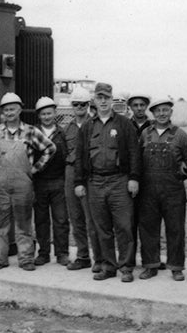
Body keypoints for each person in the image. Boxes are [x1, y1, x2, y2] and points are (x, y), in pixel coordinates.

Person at [74, 82, 141, 283]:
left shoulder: (123, 124)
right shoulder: (87, 126)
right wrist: (79, 182)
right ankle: (108, 266)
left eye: (106, 98)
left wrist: (134, 178)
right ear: (94, 100)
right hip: (95, 182)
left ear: (112, 100)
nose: (103, 101)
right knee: (101, 228)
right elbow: (80, 156)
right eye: (99, 98)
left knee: (124, 226)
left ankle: (126, 267)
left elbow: (134, 152)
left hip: (118, 181)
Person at [0, 92, 56, 271]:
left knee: (24, 222)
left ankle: (26, 259)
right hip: (0, 185)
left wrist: (35, 168)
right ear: (3, 112)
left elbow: (50, 148)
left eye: (12, 109)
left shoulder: (31, 131)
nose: (9, 112)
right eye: (6, 110)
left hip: (23, 185)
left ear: (19, 110)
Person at [138, 99, 187, 281]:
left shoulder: (180, 135)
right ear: (153, 113)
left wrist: (179, 176)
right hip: (148, 191)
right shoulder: (145, 134)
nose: (162, 113)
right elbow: (137, 159)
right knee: (148, 228)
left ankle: (176, 267)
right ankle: (150, 265)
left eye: (165, 110)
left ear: (171, 112)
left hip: (173, 191)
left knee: (175, 229)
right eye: (158, 111)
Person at [63, 87, 102, 272]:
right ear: (72, 106)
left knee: (92, 218)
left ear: (88, 105)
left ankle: (99, 258)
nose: (79, 107)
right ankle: (82, 255)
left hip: (89, 174)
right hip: (71, 172)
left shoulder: (95, 125)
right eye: (76, 104)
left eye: (83, 104)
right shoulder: (67, 128)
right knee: (75, 217)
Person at [32, 96, 70, 266]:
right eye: (43, 114)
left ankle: (62, 253)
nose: (46, 116)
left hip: (58, 181)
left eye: (49, 113)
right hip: (39, 182)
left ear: (55, 113)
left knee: (61, 219)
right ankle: (43, 252)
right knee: (41, 219)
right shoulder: (33, 133)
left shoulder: (63, 133)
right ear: (39, 116)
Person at [126, 93, 153, 270]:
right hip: (129, 178)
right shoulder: (125, 125)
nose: (139, 108)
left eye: (142, 105)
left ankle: (150, 260)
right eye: (135, 105)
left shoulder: (154, 126)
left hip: (150, 178)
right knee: (129, 221)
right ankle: (129, 259)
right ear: (131, 107)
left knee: (149, 221)